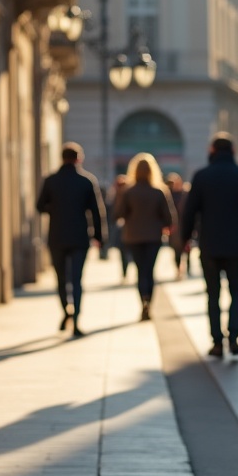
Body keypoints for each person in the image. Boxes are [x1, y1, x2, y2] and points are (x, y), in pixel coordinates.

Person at [180, 133, 238, 357]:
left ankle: (216, 341)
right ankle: (234, 338)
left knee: (212, 294)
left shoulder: (202, 176)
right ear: (233, 151)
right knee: (236, 291)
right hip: (236, 244)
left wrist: (185, 238)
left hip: (210, 244)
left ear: (212, 151)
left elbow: (189, 212)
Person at [37, 142, 108, 337]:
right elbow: (96, 212)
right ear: (79, 159)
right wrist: (100, 238)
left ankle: (66, 312)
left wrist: (55, 209)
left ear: (62, 158)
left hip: (57, 236)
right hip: (79, 237)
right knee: (77, 280)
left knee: (61, 279)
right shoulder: (86, 181)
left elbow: (39, 206)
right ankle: (76, 320)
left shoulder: (51, 181)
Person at [115, 153, 178, 321]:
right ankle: (149, 301)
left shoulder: (128, 192)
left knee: (140, 270)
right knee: (149, 270)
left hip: (133, 236)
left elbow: (118, 214)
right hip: (153, 237)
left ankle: (142, 299)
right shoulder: (159, 191)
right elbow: (169, 218)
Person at [106, 175, 133, 281]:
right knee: (126, 252)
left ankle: (125, 271)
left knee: (124, 252)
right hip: (128, 229)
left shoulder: (120, 196)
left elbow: (114, 214)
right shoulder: (123, 195)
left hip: (124, 229)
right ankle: (126, 270)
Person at [166, 172, 189, 278]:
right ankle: (178, 268)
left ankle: (187, 267)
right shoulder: (169, 195)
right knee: (177, 249)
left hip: (185, 223)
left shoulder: (186, 193)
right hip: (175, 226)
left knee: (187, 247)